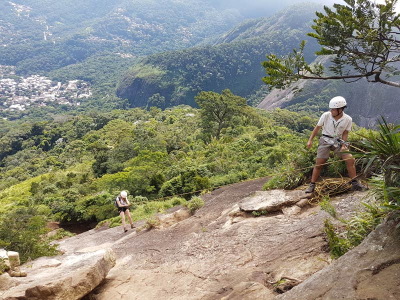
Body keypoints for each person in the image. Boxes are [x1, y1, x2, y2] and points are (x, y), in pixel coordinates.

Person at [305, 96, 367, 193]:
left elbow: (345, 133)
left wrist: (343, 146)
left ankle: (354, 183)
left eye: (333, 109)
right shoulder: (326, 115)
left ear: (340, 109)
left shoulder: (348, 119)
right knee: (319, 163)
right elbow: (317, 128)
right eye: (331, 109)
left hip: (338, 141)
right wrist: (310, 140)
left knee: (350, 158)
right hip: (325, 140)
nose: (331, 111)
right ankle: (312, 185)